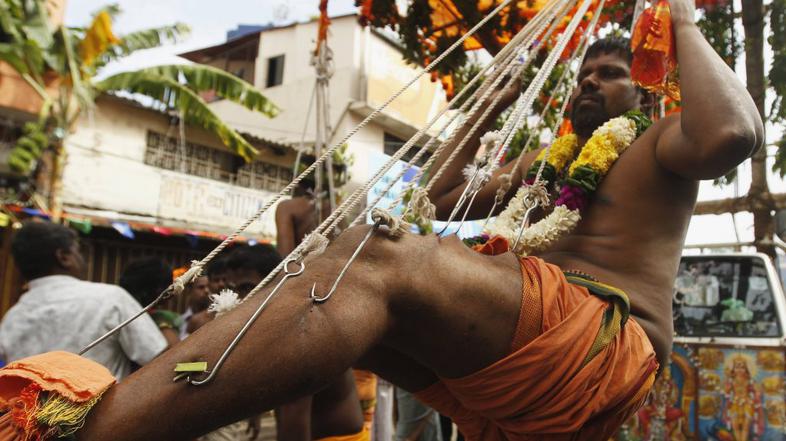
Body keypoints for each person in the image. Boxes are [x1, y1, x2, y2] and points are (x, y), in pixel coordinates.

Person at [38, 2, 767, 439]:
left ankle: (99, 429)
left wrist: (674, 14)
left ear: (639, 85)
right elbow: (441, 197)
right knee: (332, 278)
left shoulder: (660, 141)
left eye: (608, 75)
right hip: (520, 355)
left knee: (378, 258)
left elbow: (733, 133)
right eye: (582, 74)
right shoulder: (548, 164)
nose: (587, 84)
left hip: (604, 346)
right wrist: (487, 101)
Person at [0, 221, 167, 380]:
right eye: (78, 251)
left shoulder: (12, 319)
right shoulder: (111, 298)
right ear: (64, 257)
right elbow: (161, 361)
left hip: (29, 410)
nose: (82, 258)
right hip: (107, 410)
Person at [276, 180, 370, 441]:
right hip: (333, 293)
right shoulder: (335, 208)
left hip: (298, 292)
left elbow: (286, 258)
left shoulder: (288, 207)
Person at [119, 257, 182, 347]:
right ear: (158, 290)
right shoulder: (160, 326)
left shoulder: (116, 309)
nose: (172, 292)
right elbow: (180, 356)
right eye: (169, 286)